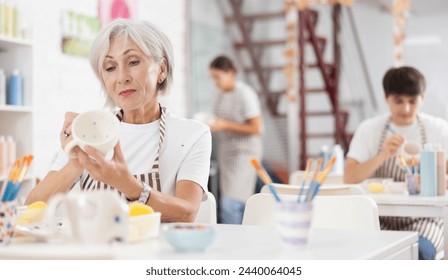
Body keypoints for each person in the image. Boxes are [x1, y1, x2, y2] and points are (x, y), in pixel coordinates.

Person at [25, 19, 212, 223]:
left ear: (162, 69)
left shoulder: (192, 134)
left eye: (133, 62)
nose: (122, 77)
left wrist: (130, 186)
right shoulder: (91, 130)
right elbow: (32, 208)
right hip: (98, 252)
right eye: (110, 67)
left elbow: (187, 213)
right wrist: (76, 163)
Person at [344, 66, 448, 259]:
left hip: (424, 220)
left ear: (422, 98)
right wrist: (382, 155)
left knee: (418, 253)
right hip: (378, 217)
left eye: (412, 101)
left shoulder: (438, 129)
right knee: (371, 254)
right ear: (386, 98)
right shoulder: (369, 130)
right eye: (398, 101)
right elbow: (350, 177)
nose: (406, 109)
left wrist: (429, 178)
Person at [208, 55, 263, 224]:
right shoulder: (218, 95)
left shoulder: (245, 94)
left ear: (231, 73)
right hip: (227, 153)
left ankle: (233, 242)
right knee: (234, 201)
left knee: (230, 203)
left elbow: (256, 128)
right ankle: (244, 234)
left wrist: (225, 126)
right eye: (213, 78)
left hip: (245, 154)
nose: (216, 82)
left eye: (218, 77)